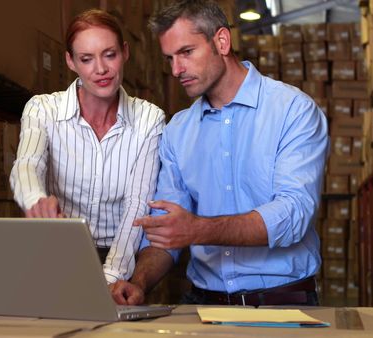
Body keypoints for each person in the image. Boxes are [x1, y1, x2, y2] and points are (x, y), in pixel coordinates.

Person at [110, 0, 329, 307]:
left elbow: (293, 213)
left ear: (222, 41)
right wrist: (139, 283)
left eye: (186, 52)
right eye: (169, 58)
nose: (176, 70)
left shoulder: (293, 111)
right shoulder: (178, 131)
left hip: (283, 304)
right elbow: (166, 231)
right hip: (203, 304)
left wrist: (197, 229)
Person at [10, 9, 165, 284]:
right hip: (55, 253)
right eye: (86, 59)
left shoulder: (150, 119)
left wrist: (112, 277)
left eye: (110, 54)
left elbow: (137, 206)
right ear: (71, 61)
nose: (100, 69)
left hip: (118, 258)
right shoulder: (43, 109)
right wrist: (36, 202)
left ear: (125, 52)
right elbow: (27, 164)